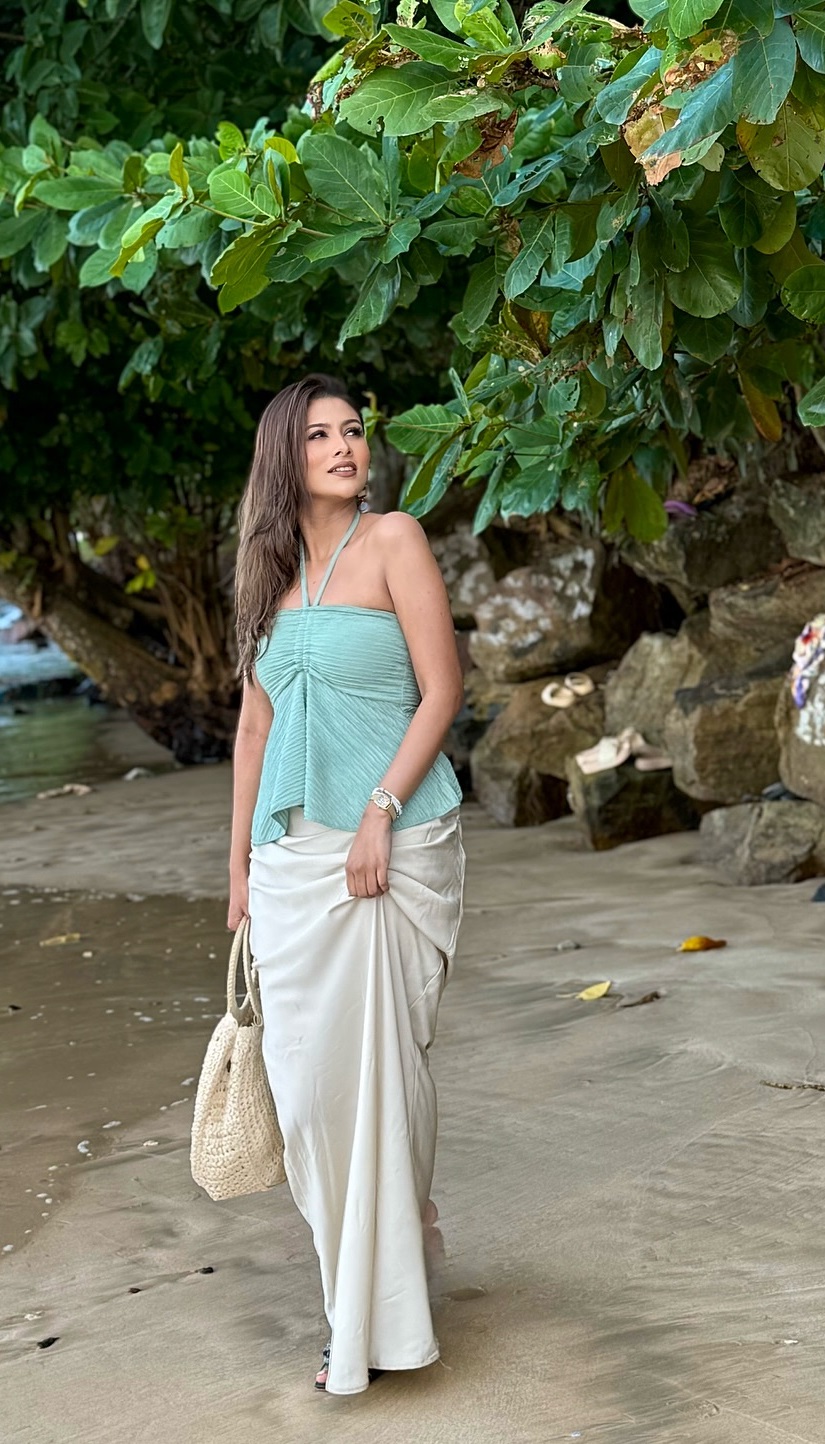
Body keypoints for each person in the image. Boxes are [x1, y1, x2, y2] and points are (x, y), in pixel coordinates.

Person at [226, 372, 466, 1395]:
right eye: (319, 434)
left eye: (353, 430)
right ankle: (369, 1277)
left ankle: (367, 1323)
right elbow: (255, 728)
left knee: (387, 1079)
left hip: (395, 845)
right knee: (310, 1094)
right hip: (290, 863)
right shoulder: (265, 576)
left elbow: (442, 689)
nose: (343, 446)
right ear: (284, 458)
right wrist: (237, 868)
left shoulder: (395, 540)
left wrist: (379, 809)